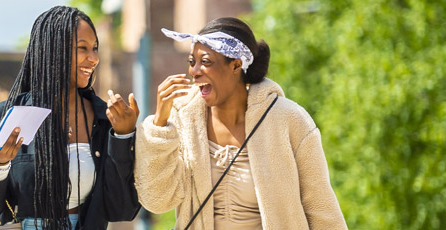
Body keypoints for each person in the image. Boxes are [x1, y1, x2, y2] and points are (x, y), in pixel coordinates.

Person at [135, 17, 347, 229]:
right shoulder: (183, 119)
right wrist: (160, 123)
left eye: (205, 62)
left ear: (236, 65)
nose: (194, 71)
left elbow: (322, 209)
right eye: (192, 62)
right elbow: (157, 201)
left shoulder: (289, 119)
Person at [0, 6, 142, 230]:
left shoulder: (104, 120)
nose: (93, 58)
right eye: (82, 48)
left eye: (95, 48)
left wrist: (123, 136)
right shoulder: (7, 116)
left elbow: (122, 209)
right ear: (53, 50)